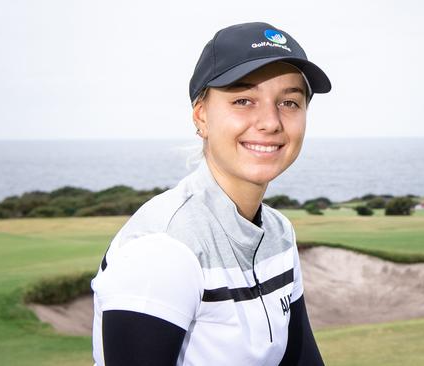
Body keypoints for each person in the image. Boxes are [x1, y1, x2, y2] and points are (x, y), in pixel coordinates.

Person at [90, 21, 332, 366]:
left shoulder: (278, 232)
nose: (271, 122)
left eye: (289, 102)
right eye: (244, 100)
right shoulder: (164, 248)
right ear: (201, 117)